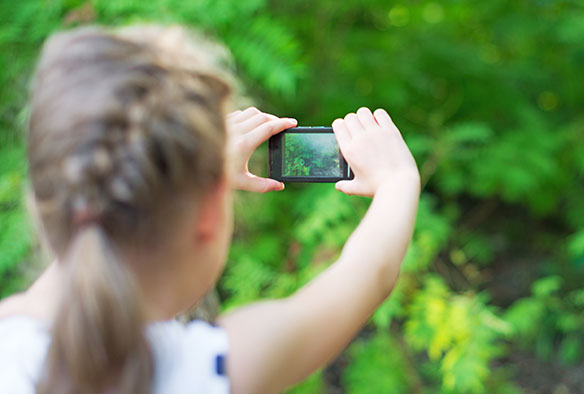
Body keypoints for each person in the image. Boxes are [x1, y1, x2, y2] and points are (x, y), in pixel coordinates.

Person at [0, 25, 420, 394]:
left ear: (44, 202)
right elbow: (371, 273)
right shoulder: (211, 370)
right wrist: (398, 181)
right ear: (207, 215)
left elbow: (91, 226)